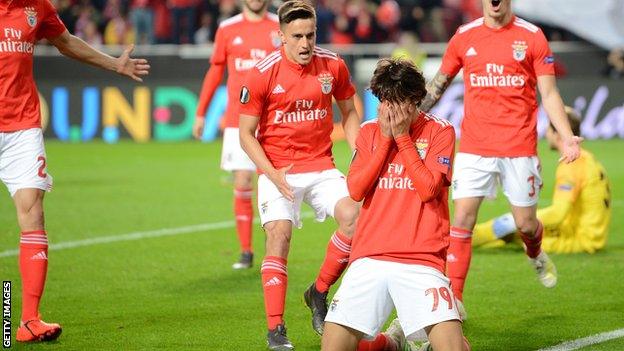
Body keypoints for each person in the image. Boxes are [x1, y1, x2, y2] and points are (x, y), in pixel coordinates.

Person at [418, 0, 582, 317]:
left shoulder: (532, 36)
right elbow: (438, 85)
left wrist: (565, 136)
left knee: (526, 224)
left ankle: (535, 253)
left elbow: (549, 94)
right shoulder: (464, 36)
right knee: (462, 218)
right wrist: (410, 116)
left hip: (518, 146)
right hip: (475, 146)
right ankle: (455, 302)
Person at [1, 0, 149, 342]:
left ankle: (27, 321)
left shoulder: (37, 7)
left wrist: (114, 65)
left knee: (33, 213)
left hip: (22, 127)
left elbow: (66, 42)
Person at [322, 57, 468, 351]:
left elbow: (428, 189)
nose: (389, 109)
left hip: (421, 260)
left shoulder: (440, 132)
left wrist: (401, 138)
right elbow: (356, 189)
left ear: (416, 100)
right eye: (384, 100)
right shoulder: (369, 132)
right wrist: (387, 141)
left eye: (398, 101)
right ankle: (390, 343)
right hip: (369, 258)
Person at [238, 1, 361, 349]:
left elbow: (350, 111)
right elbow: (245, 134)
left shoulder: (332, 64)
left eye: (310, 35)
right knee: (279, 235)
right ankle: (276, 329)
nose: (305, 43)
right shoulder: (262, 72)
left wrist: (357, 151)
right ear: (281, 36)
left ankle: (318, 291)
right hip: (278, 168)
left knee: (355, 219)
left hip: (321, 164)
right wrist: (272, 174)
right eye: (297, 36)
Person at [192, 0, 280, 270]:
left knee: (273, 185)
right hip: (237, 120)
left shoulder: (281, 26)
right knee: (242, 181)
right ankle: (246, 251)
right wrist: (201, 112)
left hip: (274, 119)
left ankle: (274, 253)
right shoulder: (227, 28)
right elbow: (216, 71)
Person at [473, 107, 611, 254]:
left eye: (549, 129)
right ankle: (465, 237)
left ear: (558, 134)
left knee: (513, 228)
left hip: (579, 239)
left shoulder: (571, 164)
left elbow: (558, 214)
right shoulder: (586, 157)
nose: (546, 133)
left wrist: (520, 220)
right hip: (588, 234)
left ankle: (462, 238)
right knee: (516, 231)